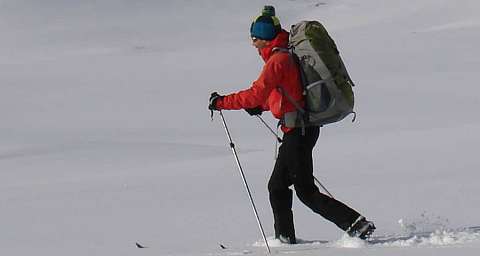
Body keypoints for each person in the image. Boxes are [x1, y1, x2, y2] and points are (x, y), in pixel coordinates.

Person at [208, 6, 375, 244]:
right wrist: (264, 106)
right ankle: (286, 239)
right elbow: (288, 95)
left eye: (255, 40)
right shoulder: (285, 55)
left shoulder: (278, 60)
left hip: (298, 132)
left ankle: (355, 225)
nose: (254, 45)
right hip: (299, 130)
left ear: (263, 38)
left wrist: (222, 102)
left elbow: (256, 94)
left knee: (305, 191)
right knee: (277, 187)